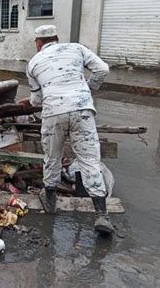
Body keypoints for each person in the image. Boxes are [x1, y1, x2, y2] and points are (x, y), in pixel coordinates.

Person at [27, 25, 115, 235]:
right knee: (89, 159)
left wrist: (36, 99)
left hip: (53, 113)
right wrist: (89, 87)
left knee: (52, 156)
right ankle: (101, 215)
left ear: (38, 43)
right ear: (57, 38)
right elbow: (103, 69)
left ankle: (50, 201)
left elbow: (37, 99)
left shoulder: (34, 63)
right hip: (82, 110)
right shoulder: (76, 48)